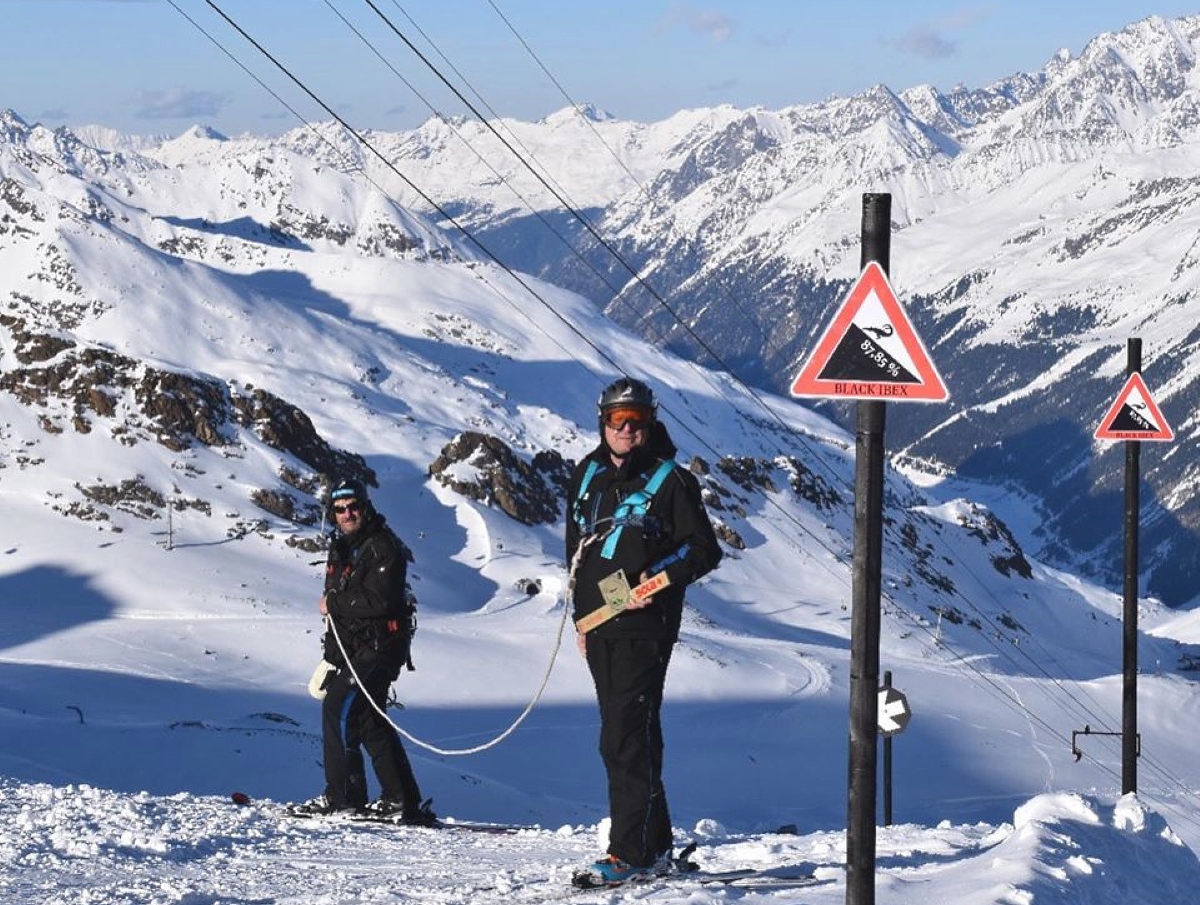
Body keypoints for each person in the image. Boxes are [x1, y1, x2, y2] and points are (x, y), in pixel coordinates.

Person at [566, 377, 723, 886]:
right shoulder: (587, 475)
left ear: (650, 422)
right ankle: (654, 843)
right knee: (636, 734)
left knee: (623, 738)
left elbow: (702, 549)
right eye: (618, 419)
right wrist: (581, 620)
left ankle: (628, 852)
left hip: (644, 626)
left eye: (637, 419)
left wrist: (657, 581)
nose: (627, 429)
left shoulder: (671, 481)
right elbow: (576, 552)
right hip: (600, 625)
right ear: (603, 422)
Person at [291, 478, 436, 826]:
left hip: (379, 647)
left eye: (353, 506)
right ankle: (401, 800)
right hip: (355, 649)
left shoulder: (381, 545)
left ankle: (342, 798)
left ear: (365, 506)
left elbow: (379, 600)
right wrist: (331, 657)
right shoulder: (342, 547)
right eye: (340, 508)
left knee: (338, 709)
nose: (347, 513)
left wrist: (334, 602)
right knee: (370, 721)